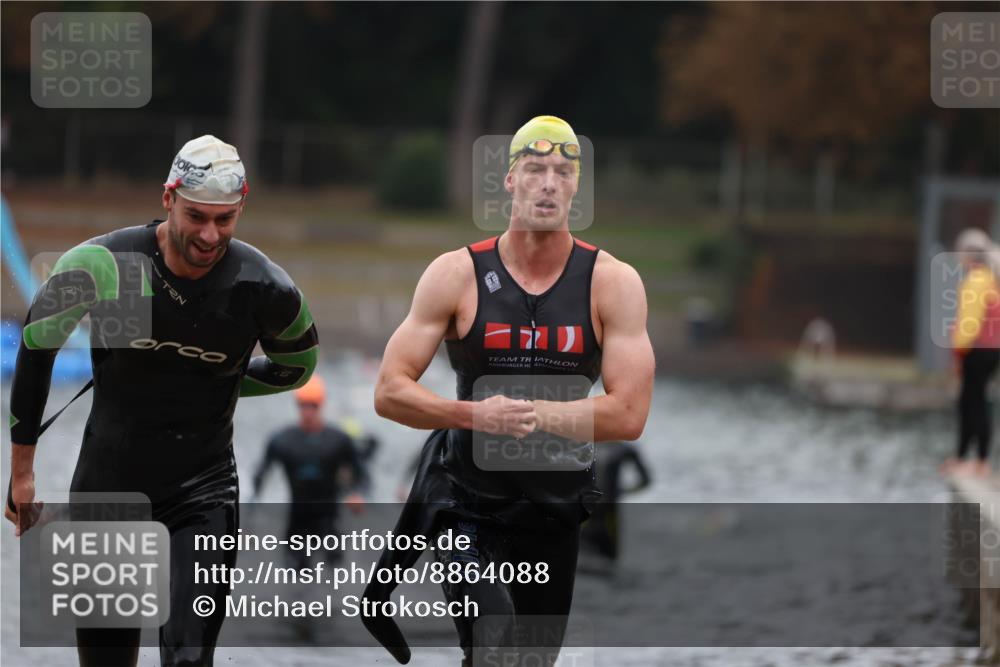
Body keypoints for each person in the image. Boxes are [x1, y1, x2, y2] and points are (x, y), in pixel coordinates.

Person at [5, 135, 319, 666]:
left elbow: (297, 368)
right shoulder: (106, 264)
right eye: (196, 216)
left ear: (241, 208)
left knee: (189, 657)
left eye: (224, 219)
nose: (209, 235)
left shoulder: (263, 287)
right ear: (169, 197)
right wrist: (22, 473)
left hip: (202, 491)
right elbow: (36, 351)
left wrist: (215, 381)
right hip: (109, 489)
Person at [362, 115, 655, 665]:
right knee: (493, 640)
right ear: (510, 180)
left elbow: (629, 414)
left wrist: (528, 414)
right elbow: (390, 391)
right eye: (536, 169)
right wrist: (474, 415)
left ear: (576, 186)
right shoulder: (456, 274)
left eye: (563, 172)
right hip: (466, 500)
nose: (549, 183)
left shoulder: (612, 283)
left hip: (553, 507)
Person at [253, 374, 368, 570]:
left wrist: (357, 494)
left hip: (330, 518)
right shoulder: (282, 440)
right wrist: (248, 522)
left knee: (335, 572)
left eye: (313, 406)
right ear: (297, 406)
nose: (308, 412)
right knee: (296, 573)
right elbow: (260, 477)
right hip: (298, 519)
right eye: (303, 405)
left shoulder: (338, 440)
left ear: (321, 406)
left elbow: (362, 474)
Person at [942, 228, 1000, 477]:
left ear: (967, 255)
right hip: (992, 350)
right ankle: (980, 460)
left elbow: (968, 324)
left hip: (977, 351)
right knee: (980, 401)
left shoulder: (975, 281)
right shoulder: (991, 278)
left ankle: (965, 458)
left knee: (970, 403)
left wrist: (957, 353)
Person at [580, 440, 652, 563]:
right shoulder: (622, 449)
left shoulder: (583, 447)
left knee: (584, 550)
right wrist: (622, 491)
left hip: (589, 507)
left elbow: (645, 480)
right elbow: (645, 480)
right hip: (607, 506)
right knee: (607, 553)